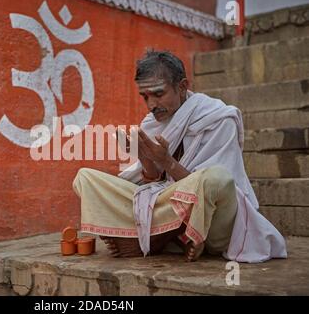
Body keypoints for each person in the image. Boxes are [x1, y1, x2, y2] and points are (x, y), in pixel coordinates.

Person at [72, 49, 287, 263]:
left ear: (182, 86)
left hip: (214, 224)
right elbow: (154, 183)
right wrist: (145, 157)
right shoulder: (152, 123)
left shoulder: (219, 118)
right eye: (145, 96)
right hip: (169, 208)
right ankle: (168, 237)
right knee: (85, 178)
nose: (151, 105)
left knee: (216, 179)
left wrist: (167, 161)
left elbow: (220, 188)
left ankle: (157, 238)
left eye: (158, 94)